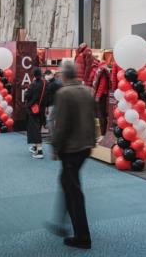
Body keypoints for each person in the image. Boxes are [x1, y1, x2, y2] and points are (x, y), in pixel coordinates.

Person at [49, 61, 96, 249]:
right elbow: (94, 117)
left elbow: (61, 126)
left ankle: (82, 236)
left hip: (71, 148)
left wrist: (55, 148)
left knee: (73, 190)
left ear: (63, 75)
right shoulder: (87, 91)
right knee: (67, 183)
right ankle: (62, 222)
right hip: (85, 146)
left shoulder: (63, 93)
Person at [25, 67, 47, 159]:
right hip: (42, 109)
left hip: (34, 110)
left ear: (34, 75)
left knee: (34, 130)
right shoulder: (45, 83)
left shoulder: (33, 85)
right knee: (37, 128)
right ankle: (35, 147)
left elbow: (27, 95)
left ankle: (39, 151)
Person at [91, 61, 110, 136]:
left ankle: (103, 133)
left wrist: (97, 96)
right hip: (102, 95)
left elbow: (102, 85)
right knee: (101, 115)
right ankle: (102, 132)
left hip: (102, 96)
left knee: (101, 115)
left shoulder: (102, 71)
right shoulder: (103, 70)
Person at [44, 69, 63, 136]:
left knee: (50, 119)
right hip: (58, 103)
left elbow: (47, 96)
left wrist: (46, 106)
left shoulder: (50, 84)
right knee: (56, 120)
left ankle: (53, 136)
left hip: (52, 104)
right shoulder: (58, 82)